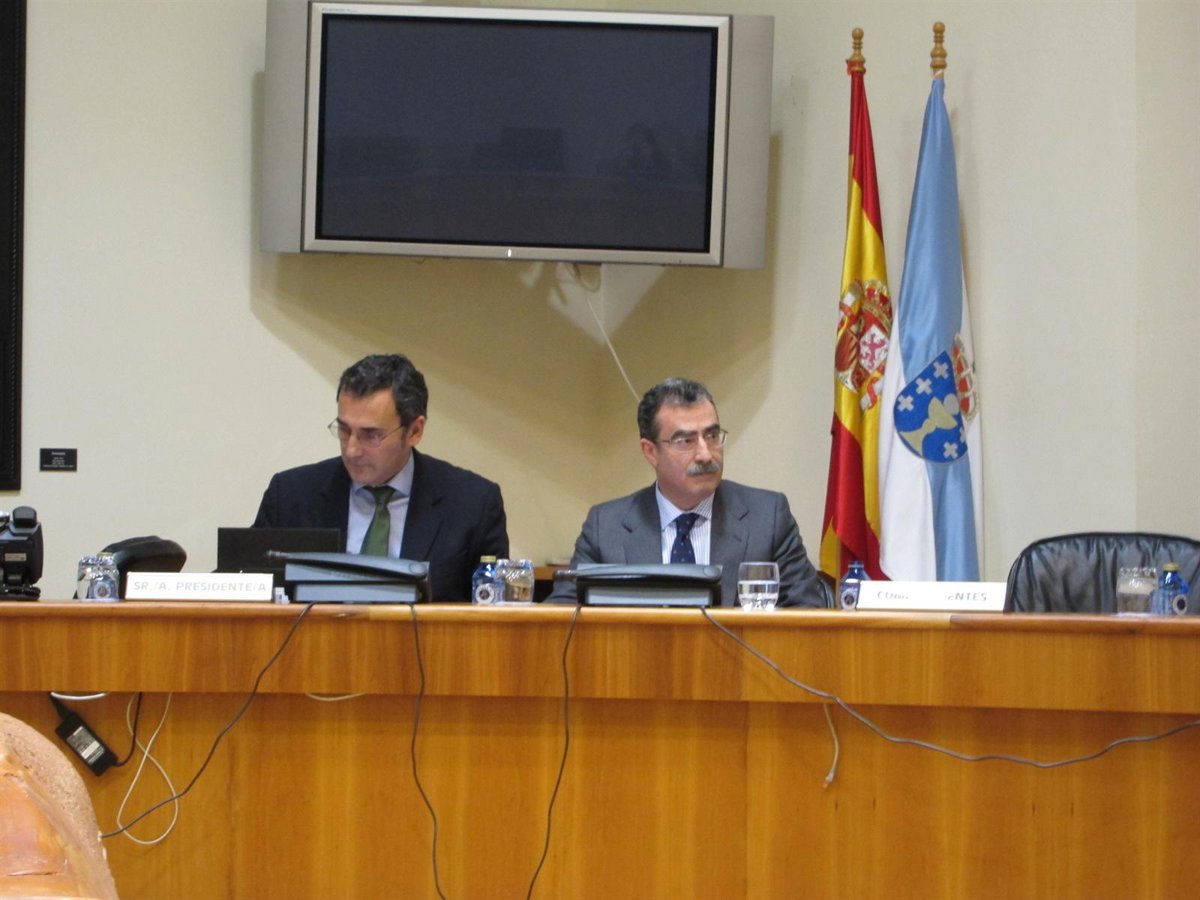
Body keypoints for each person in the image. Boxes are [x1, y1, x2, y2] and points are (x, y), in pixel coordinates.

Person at [550, 378, 827, 608]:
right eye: (685, 441)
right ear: (650, 451)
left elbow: (807, 615)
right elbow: (561, 618)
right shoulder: (606, 527)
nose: (705, 454)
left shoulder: (768, 518)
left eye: (712, 436)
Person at [253, 354, 508, 601]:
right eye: (344, 430)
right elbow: (248, 594)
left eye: (371, 435)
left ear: (414, 431)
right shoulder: (290, 496)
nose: (351, 450)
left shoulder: (473, 505)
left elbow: (495, 615)